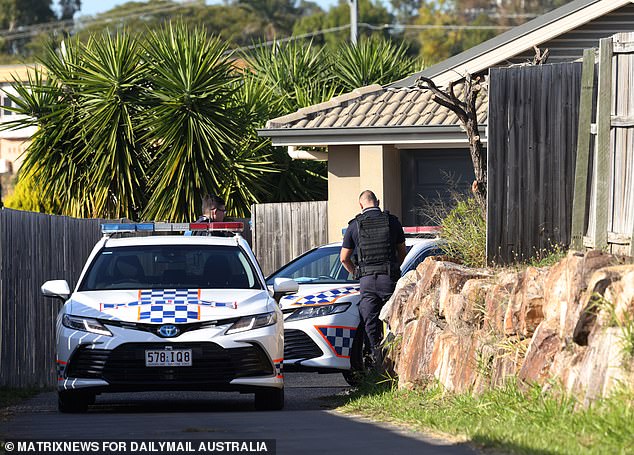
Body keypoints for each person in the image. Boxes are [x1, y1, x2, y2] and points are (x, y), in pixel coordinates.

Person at [340, 190, 406, 370]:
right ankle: (400, 359)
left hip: (367, 282)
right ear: (377, 202)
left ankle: (378, 363)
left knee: (371, 324)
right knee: (395, 319)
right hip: (389, 279)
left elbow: (344, 258)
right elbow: (402, 252)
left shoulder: (354, 225)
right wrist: (393, 268)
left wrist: (357, 272)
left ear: (361, 205)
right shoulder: (392, 221)